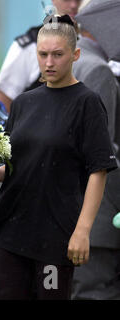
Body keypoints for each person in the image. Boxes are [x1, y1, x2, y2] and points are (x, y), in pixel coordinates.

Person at [0, 16, 117, 300]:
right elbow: (16, 167)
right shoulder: (24, 102)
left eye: (58, 54)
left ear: (75, 54)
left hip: (57, 236)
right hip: (13, 232)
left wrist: (82, 231)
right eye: (43, 55)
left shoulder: (87, 103)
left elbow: (98, 170)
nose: (49, 62)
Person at [70, 0, 120, 300]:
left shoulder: (69, 61)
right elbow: (104, 152)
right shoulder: (99, 70)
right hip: (100, 213)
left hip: (70, 206)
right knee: (97, 291)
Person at [0, 0, 83, 112]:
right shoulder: (28, 47)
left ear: (76, 54)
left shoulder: (88, 43)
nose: (74, 5)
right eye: (43, 54)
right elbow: (3, 103)